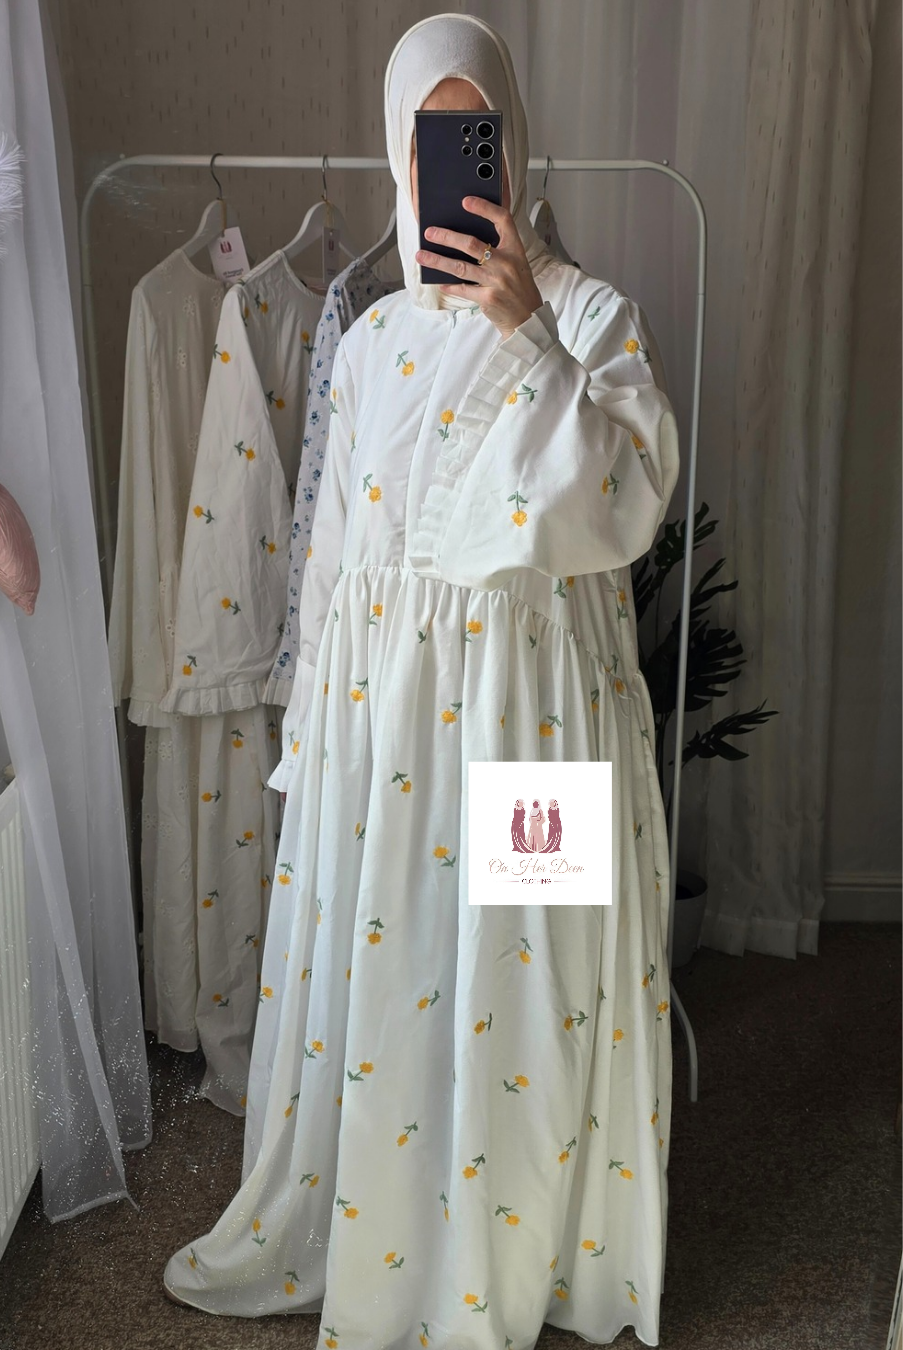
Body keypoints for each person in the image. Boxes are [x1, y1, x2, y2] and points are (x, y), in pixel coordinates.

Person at [163, 13, 679, 1347]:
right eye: (428, 140)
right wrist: (309, 734)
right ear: (399, 157)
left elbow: (628, 503)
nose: (453, 164)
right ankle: (392, 1238)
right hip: (389, 727)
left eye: (477, 135)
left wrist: (531, 336)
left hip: (538, 725)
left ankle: (527, 1253)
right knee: (399, 978)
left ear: (515, 145)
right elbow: (337, 553)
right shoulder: (373, 338)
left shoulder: (591, 317)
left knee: (530, 980)